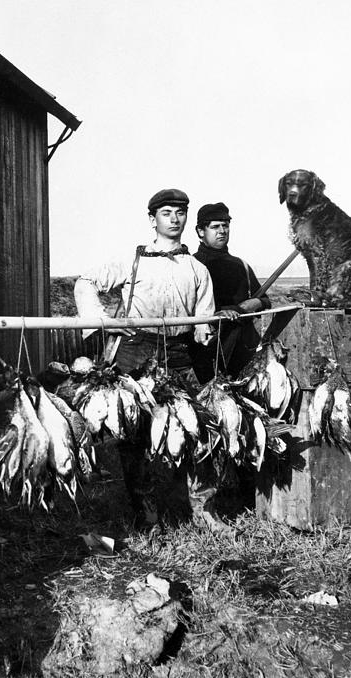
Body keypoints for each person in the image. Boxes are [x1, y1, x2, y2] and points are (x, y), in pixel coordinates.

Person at [74, 188, 235, 531]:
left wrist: (204, 331)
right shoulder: (131, 261)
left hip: (179, 353)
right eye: (166, 213)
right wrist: (104, 319)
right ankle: (144, 511)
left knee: (199, 427)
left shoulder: (196, 269)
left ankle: (203, 507)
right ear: (153, 219)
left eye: (180, 213)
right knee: (135, 433)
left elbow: (202, 317)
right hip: (136, 350)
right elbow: (85, 282)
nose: (174, 219)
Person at [191, 202, 271, 380]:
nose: (222, 231)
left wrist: (252, 304)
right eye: (215, 227)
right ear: (200, 231)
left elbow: (265, 300)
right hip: (207, 351)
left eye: (225, 226)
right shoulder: (191, 265)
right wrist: (218, 313)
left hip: (243, 350)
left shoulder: (240, 265)